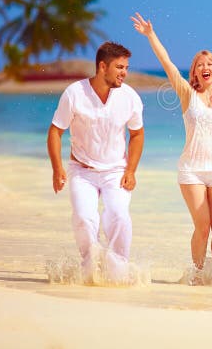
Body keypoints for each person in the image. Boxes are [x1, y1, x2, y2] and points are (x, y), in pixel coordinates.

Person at [131, 1, 212, 280]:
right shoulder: (187, 93)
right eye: (200, 64)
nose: (206, 67)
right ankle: (198, 274)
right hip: (191, 170)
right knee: (203, 227)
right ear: (194, 71)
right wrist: (151, 35)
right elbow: (167, 64)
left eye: (210, 63)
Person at [47, 42, 145, 284]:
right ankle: (90, 268)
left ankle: (118, 271)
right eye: (119, 67)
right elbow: (55, 131)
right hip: (82, 170)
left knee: (119, 215)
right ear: (103, 66)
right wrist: (57, 168)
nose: (125, 72)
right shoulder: (75, 93)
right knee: (84, 217)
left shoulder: (130, 97)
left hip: (116, 170)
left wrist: (131, 170)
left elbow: (137, 134)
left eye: (126, 67)